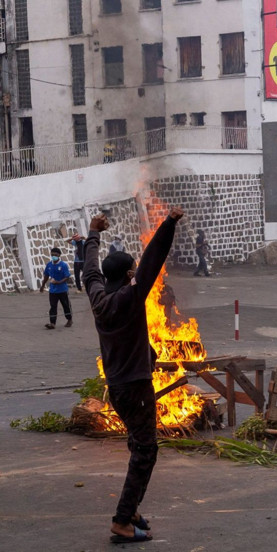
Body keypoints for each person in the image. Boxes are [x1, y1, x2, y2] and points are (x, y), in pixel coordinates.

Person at [82, 206, 184, 544]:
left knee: (136, 444)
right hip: (136, 387)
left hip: (117, 387)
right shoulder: (129, 296)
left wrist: (93, 234)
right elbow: (153, 259)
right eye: (133, 271)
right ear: (128, 275)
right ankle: (122, 521)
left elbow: (89, 271)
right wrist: (168, 223)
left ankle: (132, 509)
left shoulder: (99, 297)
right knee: (145, 450)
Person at [39, 247, 73, 329]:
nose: (54, 256)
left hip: (62, 290)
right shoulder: (49, 265)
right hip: (53, 290)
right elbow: (46, 276)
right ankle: (52, 323)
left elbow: (67, 277)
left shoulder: (63, 265)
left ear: (59, 255)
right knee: (53, 306)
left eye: (55, 255)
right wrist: (43, 285)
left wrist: (58, 282)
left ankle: (69, 319)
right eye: (52, 254)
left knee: (66, 305)